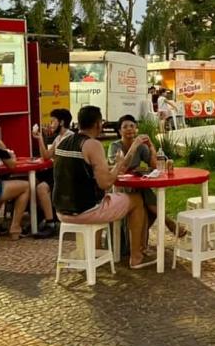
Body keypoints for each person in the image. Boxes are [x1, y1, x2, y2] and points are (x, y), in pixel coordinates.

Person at [52, 105, 151, 269]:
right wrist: (119, 165)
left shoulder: (63, 142)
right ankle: (136, 256)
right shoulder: (92, 145)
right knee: (137, 200)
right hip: (86, 210)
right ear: (98, 124)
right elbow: (105, 183)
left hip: (61, 210)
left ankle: (97, 250)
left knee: (114, 199)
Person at [107, 114, 182, 238]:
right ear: (120, 131)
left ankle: (139, 238)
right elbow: (120, 169)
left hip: (135, 185)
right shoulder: (115, 146)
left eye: (132, 126)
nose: (129, 129)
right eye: (125, 127)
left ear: (136, 129)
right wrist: (133, 146)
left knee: (144, 194)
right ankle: (168, 222)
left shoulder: (141, 147)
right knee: (144, 192)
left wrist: (151, 147)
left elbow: (154, 166)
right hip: (119, 187)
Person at [30, 108, 75, 238]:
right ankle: (41, 217)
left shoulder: (69, 137)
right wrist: (39, 139)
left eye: (53, 121)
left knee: (41, 187)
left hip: (65, 175)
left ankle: (50, 223)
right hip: (57, 172)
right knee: (33, 183)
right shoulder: (58, 138)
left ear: (61, 122)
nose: (51, 124)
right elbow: (46, 156)